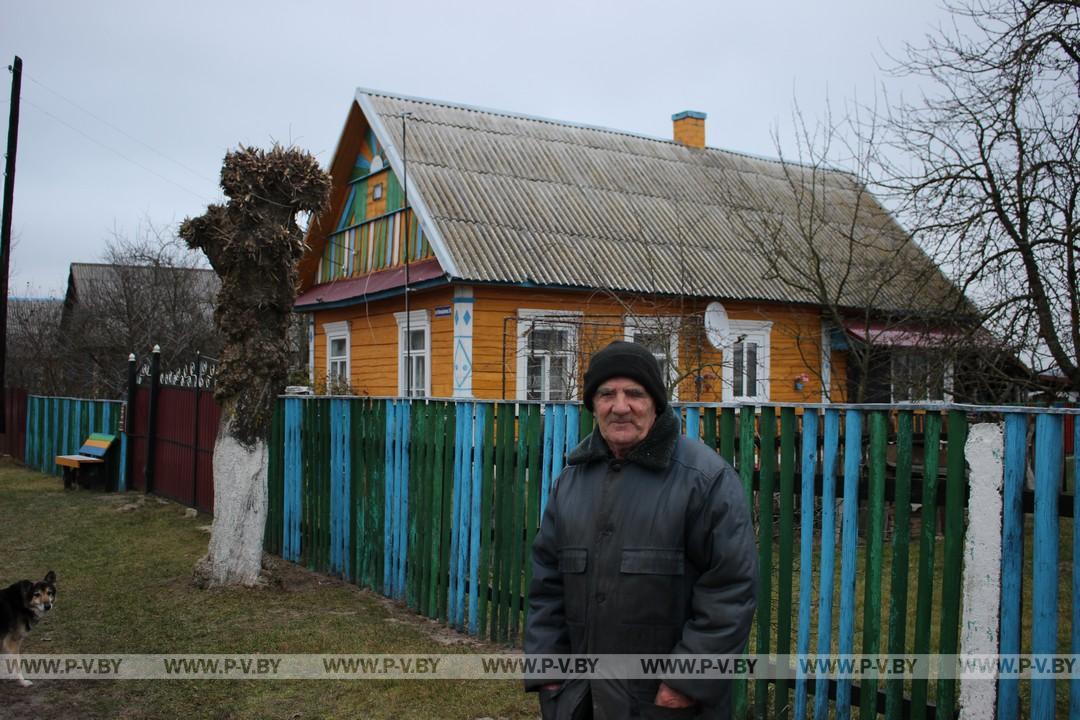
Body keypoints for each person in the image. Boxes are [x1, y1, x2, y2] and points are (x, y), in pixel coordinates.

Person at [525, 340, 757, 719]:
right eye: (606, 394)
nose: (620, 407)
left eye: (634, 393)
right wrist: (549, 670)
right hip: (577, 699)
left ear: (655, 402)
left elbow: (730, 591)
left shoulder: (705, 479)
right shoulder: (571, 480)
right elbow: (547, 584)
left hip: (664, 702)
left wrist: (685, 683)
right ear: (592, 404)